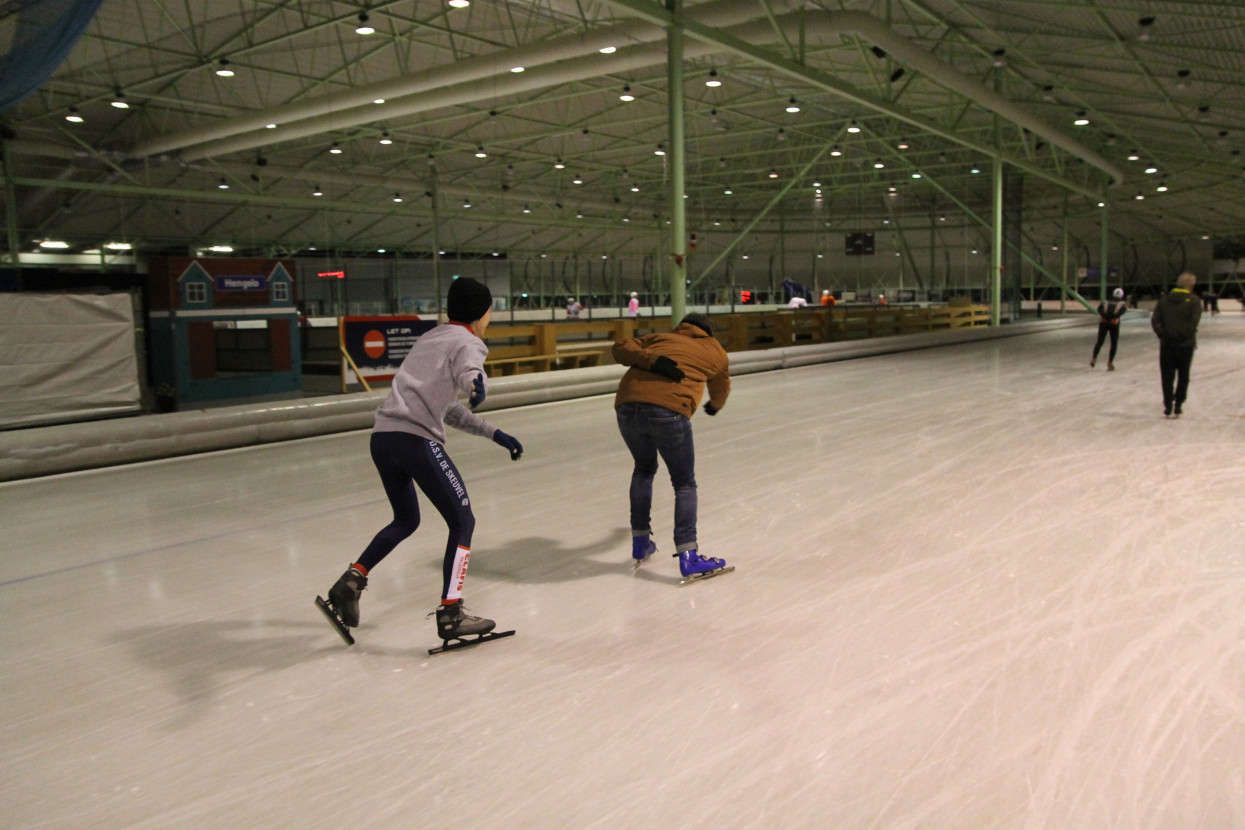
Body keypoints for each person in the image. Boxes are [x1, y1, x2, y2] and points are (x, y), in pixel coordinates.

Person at [320, 277, 524, 645]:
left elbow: (447, 409)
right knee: (463, 520)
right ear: (481, 313)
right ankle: (451, 612)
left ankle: (352, 580)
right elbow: (471, 369)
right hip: (415, 441)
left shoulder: (430, 339)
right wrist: (478, 383)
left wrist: (495, 433)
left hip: (383, 438)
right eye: (490, 312)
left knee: (406, 519)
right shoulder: (468, 342)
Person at [612, 313, 732, 580]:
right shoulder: (716, 351)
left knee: (643, 470)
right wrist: (714, 406)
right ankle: (688, 556)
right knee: (684, 483)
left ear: (683, 327)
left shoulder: (661, 338)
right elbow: (721, 386)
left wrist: (651, 359)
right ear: (708, 332)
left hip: (627, 406)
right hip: (670, 411)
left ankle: (641, 542)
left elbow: (620, 347)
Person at [1150, 271, 1202, 418]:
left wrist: (1164, 334)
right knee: (1183, 375)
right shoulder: (1194, 301)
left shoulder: (1163, 300)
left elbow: (1155, 321)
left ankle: (1168, 405)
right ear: (1191, 285)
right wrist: (1182, 336)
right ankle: (1178, 404)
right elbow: (1193, 322)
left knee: (1167, 376)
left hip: (1167, 345)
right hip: (1186, 345)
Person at [1090, 287, 1127, 370]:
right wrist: (1112, 317)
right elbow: (1121, 313)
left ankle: (1094, 358)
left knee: (1100, 342)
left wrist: (1105, 316)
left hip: (1103, 323)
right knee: (1113, 343)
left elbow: (1099, 309)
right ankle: (1110, 363)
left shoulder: (1106, 302)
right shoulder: (1122, 304)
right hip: (1114, 324)